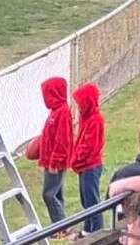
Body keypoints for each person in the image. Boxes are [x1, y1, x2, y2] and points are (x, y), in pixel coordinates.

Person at [38, 77, 74, 238]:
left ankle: (61, 227)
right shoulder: (55, 111)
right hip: (50, 160)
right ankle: (60, 225)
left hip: (55, 163)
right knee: (56, 194)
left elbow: (62, 140)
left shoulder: (62, 112)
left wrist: (55, 161)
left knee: (49, 194)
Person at [70, 83, 105, 236]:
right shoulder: (86, 118)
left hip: (90, 166)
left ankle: (97, 230)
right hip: (84, 166)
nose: (78, 107)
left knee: (92, 200)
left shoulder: (95, 120)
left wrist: (76, 158)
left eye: (79, 103)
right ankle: (88, 228)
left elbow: (89, 146)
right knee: (86, 200)